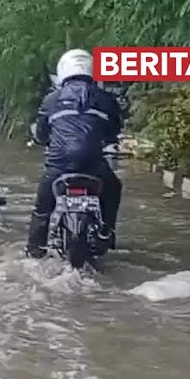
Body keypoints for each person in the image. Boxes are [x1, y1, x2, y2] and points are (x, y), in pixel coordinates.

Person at [26, 49, 125, 258]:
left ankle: (34, 252)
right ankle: (107, 233)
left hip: (58, 166)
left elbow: (42, 133)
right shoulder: (105, 98)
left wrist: (41, 141)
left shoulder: (51, 100)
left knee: (42, 209)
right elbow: (115, 129)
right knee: (114, 187)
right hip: (93, 164)